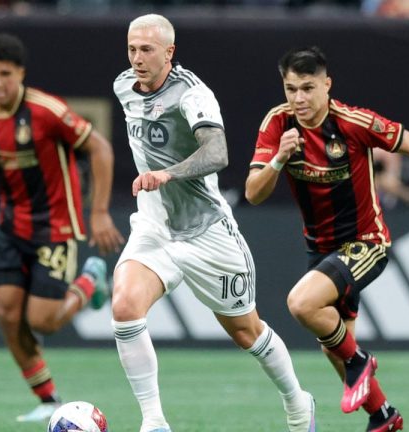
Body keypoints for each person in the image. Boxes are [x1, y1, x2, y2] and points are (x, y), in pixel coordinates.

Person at [111, 14, 316, 432]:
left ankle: (298, 402)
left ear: (169, 52)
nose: (137, 58)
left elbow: (218, 152)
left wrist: (168, 173)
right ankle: (154, 422)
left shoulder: (192, 94)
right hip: (155, 226)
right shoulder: (122, 87)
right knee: (125, 307)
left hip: (207, 232)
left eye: (147, 49)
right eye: (132, 48)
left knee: (246, 332)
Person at [245, 46, 409, 432]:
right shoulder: (278, 124)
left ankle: (360, 360)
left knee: (301, 304)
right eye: (290, 88)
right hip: (321, 249)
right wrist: (279, 160)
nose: (298, 99)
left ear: (327, 85)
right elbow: (252, 193)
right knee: (333, 344)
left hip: (366, 242)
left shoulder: (351, 122)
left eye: (308, 88)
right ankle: (384, 417)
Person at [0, 33, 124, 423]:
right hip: (10, 227)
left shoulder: (47, 112)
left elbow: (101, 149)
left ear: (21, 74)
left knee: (42, 321)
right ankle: (46, 398)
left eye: (5, 74)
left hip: (56, 226)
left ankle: (90, 282)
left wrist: (98, 213)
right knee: (8, 315)